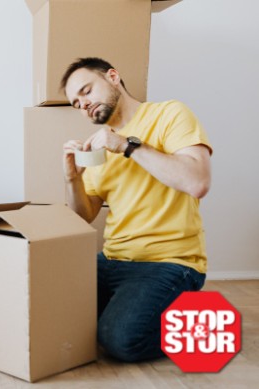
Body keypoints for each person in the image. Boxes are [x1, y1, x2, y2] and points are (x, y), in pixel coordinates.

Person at [59, 57, 212, 362]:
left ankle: (201, 325)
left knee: (120, 340)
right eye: (76, 103)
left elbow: (197, 182)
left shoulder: (169, 113)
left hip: (169, 262)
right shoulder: (98, 146)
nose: (83, 105)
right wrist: (71, 179)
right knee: (52, 309)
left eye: (87, 91)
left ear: (113, 76)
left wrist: (127, 146)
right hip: (112, 259)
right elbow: (84, 215)